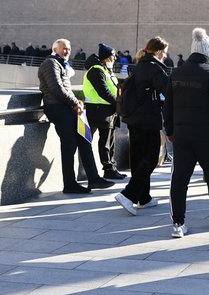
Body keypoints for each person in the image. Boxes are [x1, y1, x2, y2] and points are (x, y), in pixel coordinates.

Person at [163, 28, 209, 238]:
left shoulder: (175, 73)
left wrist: (170, 131)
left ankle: (178, 224)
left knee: (179, 179)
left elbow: (168, 107)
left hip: (182, 135)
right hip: (208, 135)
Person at [38, 39, 111, 194]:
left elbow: (65, 89)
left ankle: (94, 178)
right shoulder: (50, 63)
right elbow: (56, 88)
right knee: (69, 144)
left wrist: (76, 102)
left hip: (67, 107)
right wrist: (74, 102)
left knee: (84, 139)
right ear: (54, 48)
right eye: (63, 48)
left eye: (69, 49)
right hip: (57, 108)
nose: (67, 51)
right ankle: (70, 184)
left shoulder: (61, 64)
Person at [114, 37, 171, 215]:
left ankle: (143, 198)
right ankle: (128, 194)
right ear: (160, 52)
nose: (166, 55)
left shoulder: (140, 65)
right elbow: (168, 90)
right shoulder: (154, 68)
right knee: (151, 158)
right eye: (165, 51)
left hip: (134, 120)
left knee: (139, 159)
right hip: (147, 120)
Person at [83, 43, 127, 182]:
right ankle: (108, 169)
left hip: (108, 110)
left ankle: (111, 168)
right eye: (113, 56)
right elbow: (104, 91)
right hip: (98, 110)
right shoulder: (96, 70)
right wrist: (119, 103)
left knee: (110, 140)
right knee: (105, 142)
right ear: (106, 57)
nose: (115, 58)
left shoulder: (106, 70)